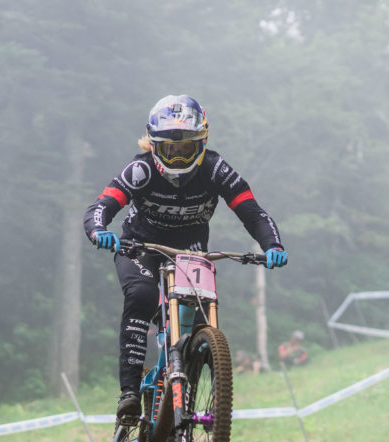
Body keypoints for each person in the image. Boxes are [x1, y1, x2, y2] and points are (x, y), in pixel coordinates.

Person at [84, 95, 287, 421]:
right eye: (169, 149)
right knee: (142, 296)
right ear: (154, 146)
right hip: (140, 247)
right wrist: (99, 230)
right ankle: (129, 394)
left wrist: (272, 244)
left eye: (186, 149)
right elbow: (101, 206)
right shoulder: (141, 170)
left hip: (190, 251)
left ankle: (183, 408)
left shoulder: (216, 169)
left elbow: (252, 213)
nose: (177, 157)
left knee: (199, 322)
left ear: (202, 144)